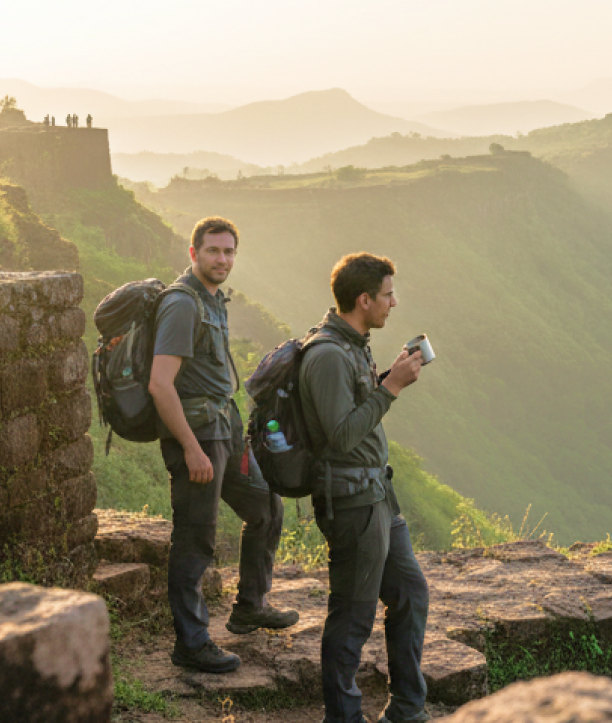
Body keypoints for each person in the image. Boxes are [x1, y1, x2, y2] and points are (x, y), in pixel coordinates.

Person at [149, 216, 298, 674]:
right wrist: (191, 449)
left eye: (229, 251)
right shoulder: (182, 304)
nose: (222, 259)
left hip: (225, 431)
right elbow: (160, 384)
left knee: (266, 507)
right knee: (196, 537)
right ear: (193, 253)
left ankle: (250, 606)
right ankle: (191, 644)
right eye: (213, 251)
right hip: (199, 436)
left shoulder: (214, 300)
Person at [299, 253, 429, 723]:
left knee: (410, 593)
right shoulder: (329, 354)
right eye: (388, 295)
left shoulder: (354, 342)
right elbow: (342, 434)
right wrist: (391, 387)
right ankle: (344, 716)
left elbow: (352, 405)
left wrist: (382, 379)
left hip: (377, 495)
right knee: (352, 618)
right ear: (364, 299)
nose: (395, 303)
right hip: (352, 503)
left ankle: (408, 708)